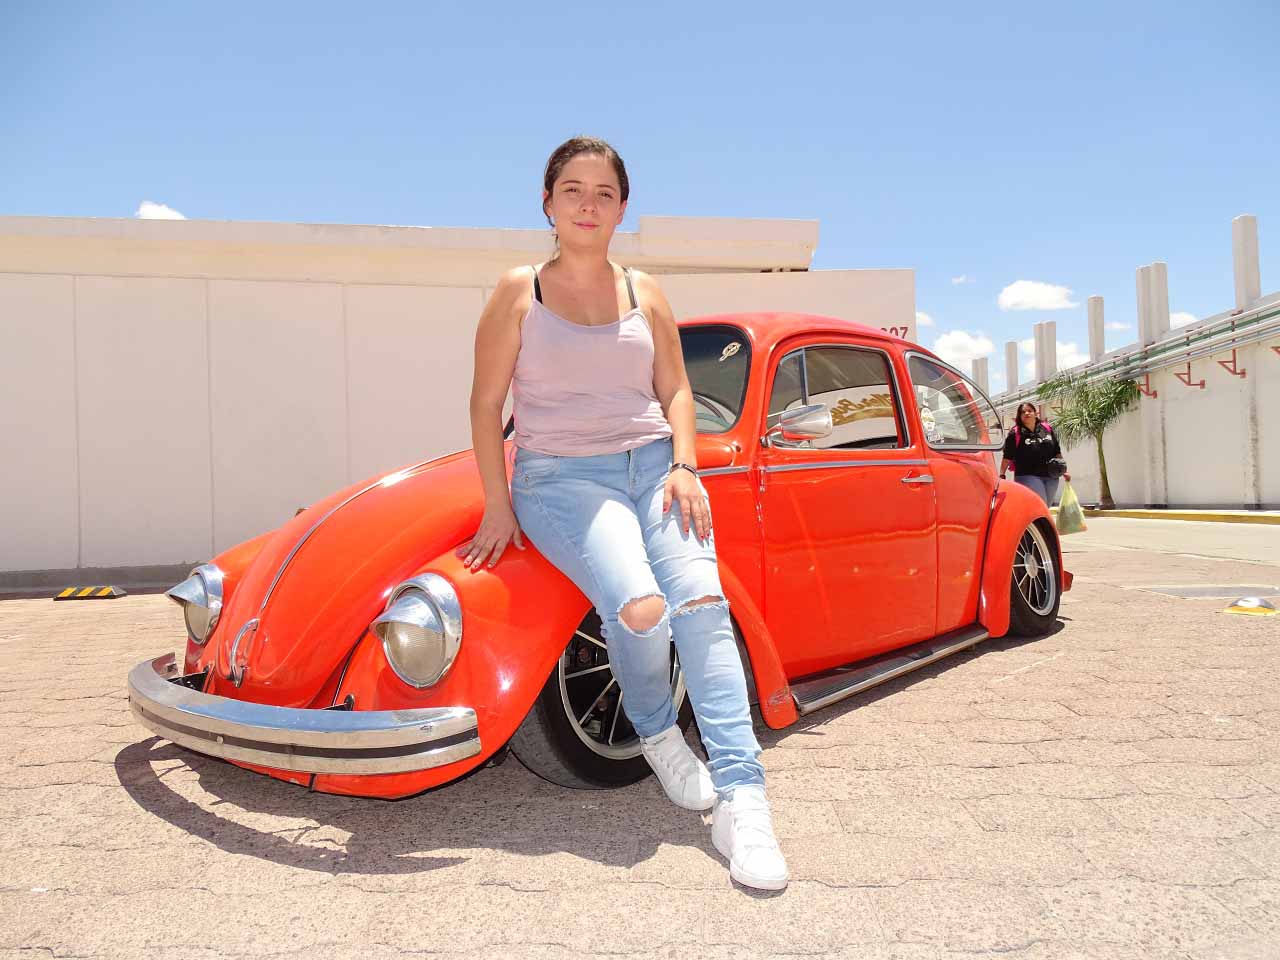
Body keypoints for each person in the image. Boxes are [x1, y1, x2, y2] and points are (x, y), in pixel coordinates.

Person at [462, 137, 787, 891]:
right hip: (562, 478)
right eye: (572, 190)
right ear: (547, 203)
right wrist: (497, 505)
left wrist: (685, 464)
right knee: (641, 608)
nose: (587, 204)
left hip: (656, 470)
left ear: (622, 209)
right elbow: (484, 404)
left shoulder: (646, 292)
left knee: (701, 602)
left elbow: (676, 389)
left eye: (603, 193)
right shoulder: (517, 292)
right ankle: (657, 734)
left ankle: (744, 799)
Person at [1000, 401, 1070, 506]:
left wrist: (1064, 471)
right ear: (1019, 416)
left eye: (1029, 411)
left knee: (1046, 506)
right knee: (1040, 504)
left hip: (1051, 475)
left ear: (1035, 413)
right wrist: (1002, 474)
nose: (1026, 413)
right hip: (1027, 475)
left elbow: (1056, 451)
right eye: (1023, 412)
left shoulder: (1047, 429)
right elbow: (1007, 457)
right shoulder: (1015, 433)